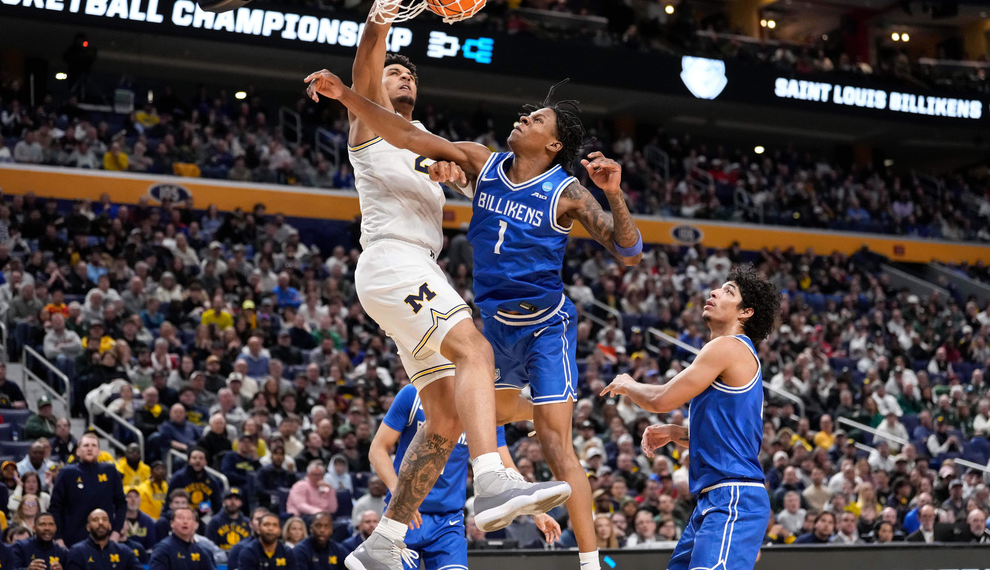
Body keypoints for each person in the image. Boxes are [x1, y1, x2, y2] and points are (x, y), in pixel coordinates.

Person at [305, 67, 641, 570]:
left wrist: (613, 192)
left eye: (538, 118)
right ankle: (448, 505)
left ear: (553, 144)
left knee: (544, 437)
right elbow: (405, 134)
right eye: (527, 112)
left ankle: (589, 563)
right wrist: (349, 98)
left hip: (546, 323)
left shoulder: (567, 190)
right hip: (495, 321)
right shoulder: (482, 163)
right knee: (460, 406)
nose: (524, 117)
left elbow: (628, 249)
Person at [305, 0, 571, 570]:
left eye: (411, 72)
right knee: (474, 351)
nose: (403, 73)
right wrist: (387, 2)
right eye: (396, 69)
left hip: (408, 270)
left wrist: (449, 176)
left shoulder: (419, 140)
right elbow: (368, 56)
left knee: (445, 416)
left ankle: (385, 541)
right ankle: (494, 482)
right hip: (394, 263)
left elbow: (464, 179)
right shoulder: (370, 121)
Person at [600, 265, 780, 570]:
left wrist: (628, 384)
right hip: (715, 500)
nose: (714, 292)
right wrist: (675, 433)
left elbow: (660, 399)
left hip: (733, 497)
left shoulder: (727, 347)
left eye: (728, 291)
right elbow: (727, 439)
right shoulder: (730, 354)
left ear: (745, 312)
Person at [370, 383, 557, 570]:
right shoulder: (413, 393)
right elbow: (377, 449)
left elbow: (505, 466)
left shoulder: (484, 406)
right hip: (405, 515)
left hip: (448, 521)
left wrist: (537, 510)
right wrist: (400, 494)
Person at [49, 433, 127, 546]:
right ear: (78, 451)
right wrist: (58, 538)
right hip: (72, 540)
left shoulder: (110, 471)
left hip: (104, 540)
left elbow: (121, 504)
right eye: (86, 445)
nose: (90, 448)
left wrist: (116, 533)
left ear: (99, 451)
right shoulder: (67, 473)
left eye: (94, 445)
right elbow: (55, 507)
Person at [65, 509, 141, 570]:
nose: (101, 523)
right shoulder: (77, 551)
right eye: (95, 520)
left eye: (104, 519)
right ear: (88, 527)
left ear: (110, 526)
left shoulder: (124, 551)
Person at [149, 507, 216, 570]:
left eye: (189, 518)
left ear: (196, 525)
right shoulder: (162, 549)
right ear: (172, 523)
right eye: (180, 518)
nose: (185, 522)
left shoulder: (203, 551)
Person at [167, 447, 222, 517]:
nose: (198, 461)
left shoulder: (211, 481)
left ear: (206, 462)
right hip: (179, 516)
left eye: (201, 458)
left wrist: (204, 509)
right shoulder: (178, 478)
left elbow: (217, 505)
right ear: (189, 460)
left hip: (201, 517)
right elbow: (168, 503)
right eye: (194, 458)